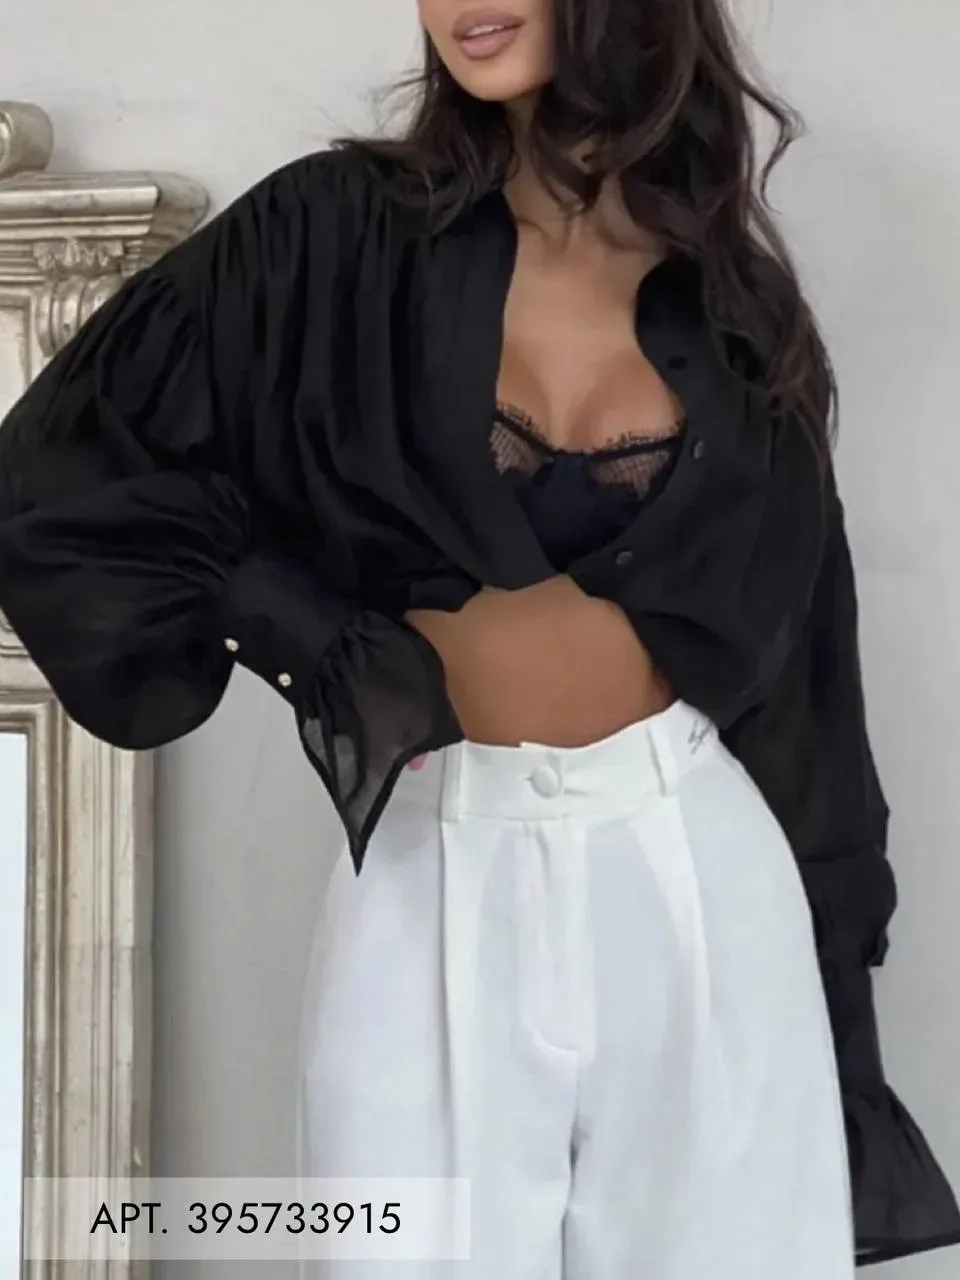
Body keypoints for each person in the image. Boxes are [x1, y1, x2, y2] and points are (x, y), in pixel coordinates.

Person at [0, 0, 957, 1275]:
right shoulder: (330, 233)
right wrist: (303, 635)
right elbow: (62, 466)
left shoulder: (736, 302)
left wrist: (841, 1026)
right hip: (429, 860)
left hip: (697, 867)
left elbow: (808, 681)